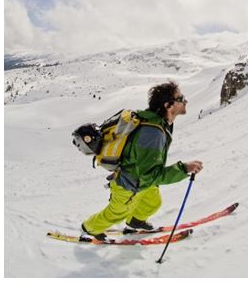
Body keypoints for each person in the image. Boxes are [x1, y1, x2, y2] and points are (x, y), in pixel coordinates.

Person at [81, 81, 204, 240]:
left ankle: (135, 221)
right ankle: (89, 228)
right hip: (129, 184)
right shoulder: (152, 133)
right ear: (168, 105)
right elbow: (148, 174)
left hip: (142, 180)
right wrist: (183, 169)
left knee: (153, 202)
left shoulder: (158, 122)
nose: (185, 100)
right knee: (116, 213)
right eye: (181, 98)